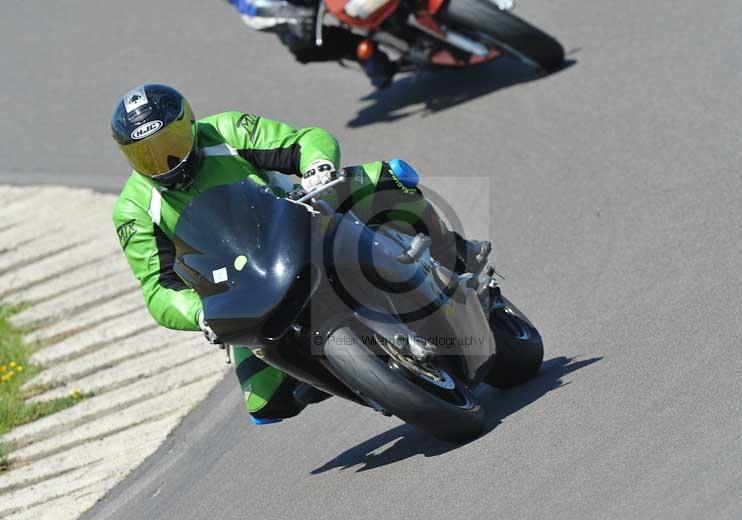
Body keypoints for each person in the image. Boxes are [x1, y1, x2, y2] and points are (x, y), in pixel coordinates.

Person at [111, 84, 489, 424]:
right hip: (239, 281)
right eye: (146, 155)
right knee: (265, 402)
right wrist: (200, 313)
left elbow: (303, 140)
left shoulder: (224, 131)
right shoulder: (134, 209)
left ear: (190, 125)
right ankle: (357, 377)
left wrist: (317, 166)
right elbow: (157, 287)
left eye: (170, 141)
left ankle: (453, 252)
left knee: (385, 179)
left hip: (294, 218)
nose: (164, 160)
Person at [225, 0, 397, 88]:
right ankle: (364, 52)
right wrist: (287, 15)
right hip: (284, 7)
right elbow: (249, 6)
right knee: (302, 45)